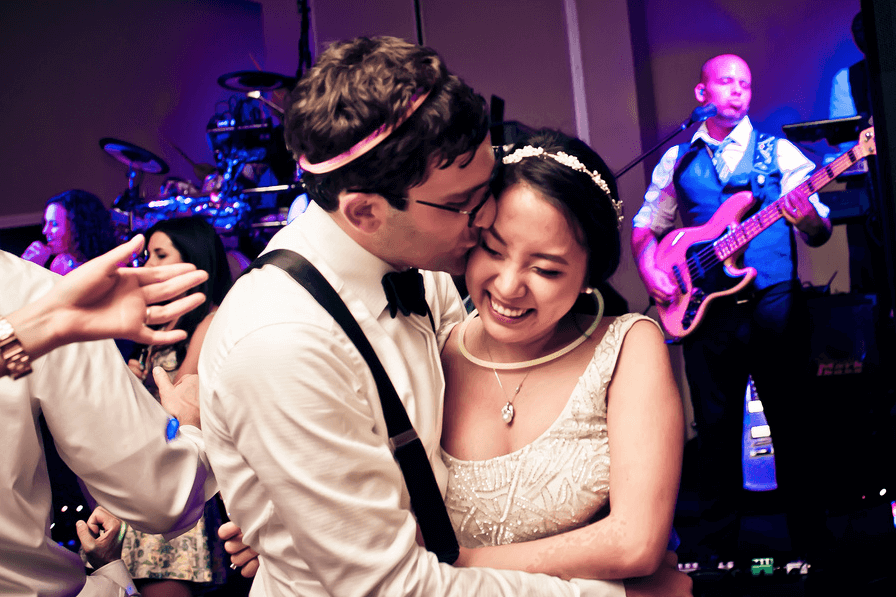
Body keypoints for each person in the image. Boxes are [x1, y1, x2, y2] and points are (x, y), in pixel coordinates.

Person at [199, 36, 690, 596]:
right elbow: (394, 583)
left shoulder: (429, 285)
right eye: (466, 205)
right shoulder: (284, 342)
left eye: (486, 192)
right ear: (364, 212)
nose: (481, 221)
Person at [440, 129, 684, 580]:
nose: (509, 286)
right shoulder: (431, 347)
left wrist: (456, 564)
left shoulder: (628, 347)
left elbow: (635, 543)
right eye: (493, 249)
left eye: (546, 269)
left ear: (590, 274)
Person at [631, 54, 832, 563]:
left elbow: (820, 227)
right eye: (726, 81)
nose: (738, 90)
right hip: (705, 312)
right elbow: (645, 225)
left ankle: (813, 548)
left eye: (745, 82)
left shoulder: (777, 153)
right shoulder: (675, 159)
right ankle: (714, 559)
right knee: (715, 434)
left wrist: (806, 218)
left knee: (794, 427)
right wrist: (651, 268)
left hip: (772, 305)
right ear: (703, 94)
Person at [0, 234, 217, 596]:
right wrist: (191, 426)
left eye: (161, 254)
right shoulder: (29, 289)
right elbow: (161, 497)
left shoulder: (38, 296)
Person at [123, 217, 233, 596]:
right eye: (147, 255)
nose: (148, 265)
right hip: (149, 471)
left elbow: (180, 402)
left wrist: (130, 382)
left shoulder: (211, 321)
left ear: (192, 260)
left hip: (180, 472)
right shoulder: (163, 321)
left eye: (160, 254)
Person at [21, 189, 116, 275]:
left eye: (54, 224)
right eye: (46, 223)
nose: (45, 231)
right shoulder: (60, 262)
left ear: (78, 226)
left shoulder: (103, 269)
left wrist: (33, 271)